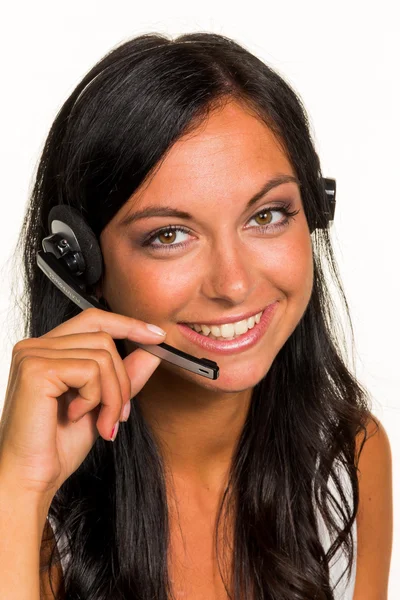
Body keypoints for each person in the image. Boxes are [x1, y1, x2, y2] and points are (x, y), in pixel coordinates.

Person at [0, 32, 392, 600]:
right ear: (82, 264)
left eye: (267, 215)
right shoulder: (32, 505)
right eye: (170, 235)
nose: (234, 285)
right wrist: (20, 492)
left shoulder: (344, 463)